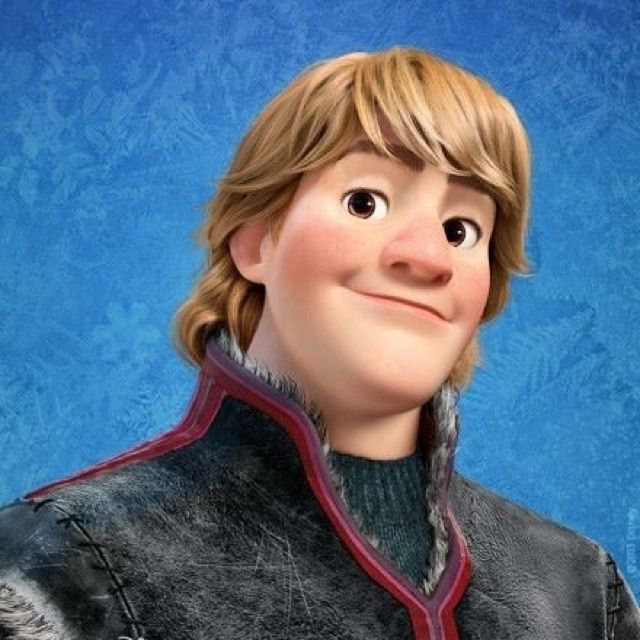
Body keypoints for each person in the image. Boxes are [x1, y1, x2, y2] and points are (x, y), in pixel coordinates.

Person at [0, 46, 638, 640]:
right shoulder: (60, 570)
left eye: (460, 229)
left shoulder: (579, 589)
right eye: (365, 202)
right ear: (256, 241)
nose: (428, 257)